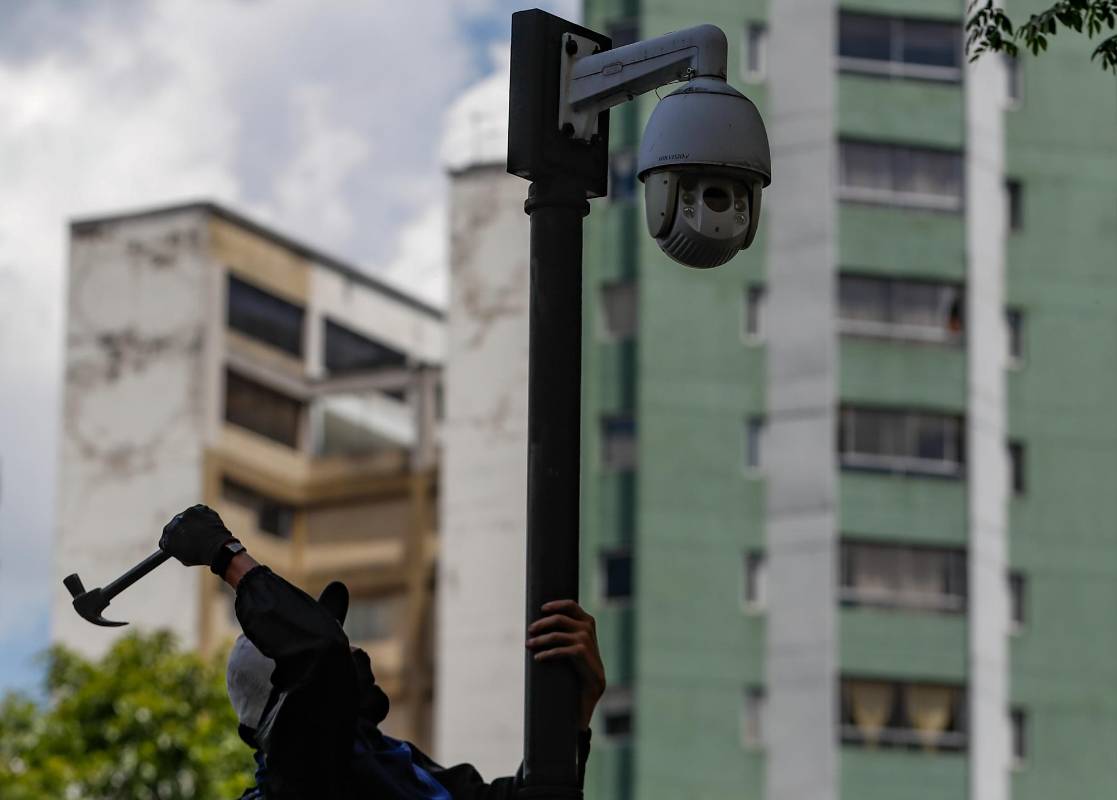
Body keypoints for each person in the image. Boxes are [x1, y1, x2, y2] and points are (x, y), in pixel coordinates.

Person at [158, 504, 606, 799]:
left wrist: (575, 714)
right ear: (291, 707)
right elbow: (320, 653)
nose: (356, 652)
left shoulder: (394, 769)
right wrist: (227, 556)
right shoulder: (304, 779)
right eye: (340, 644)